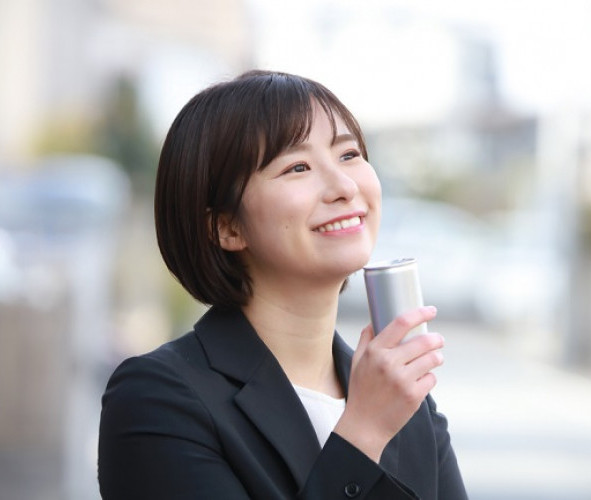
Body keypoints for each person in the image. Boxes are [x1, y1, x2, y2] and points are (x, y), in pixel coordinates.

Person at [98, 70, 468, 499]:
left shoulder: (407, 403)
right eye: (298, 167)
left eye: (348, 155)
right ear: (226, 226)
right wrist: (363, 432)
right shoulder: (159, 399)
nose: (345, 187)